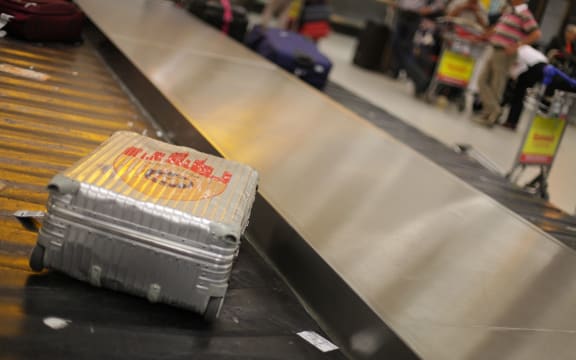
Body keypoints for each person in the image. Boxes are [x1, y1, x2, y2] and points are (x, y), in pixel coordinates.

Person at [475, 0, 541, 127]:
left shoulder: (524, 13)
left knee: (497, 84)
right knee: (482, 80)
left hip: (505, 52)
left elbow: (536, 34)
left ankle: (491, 115)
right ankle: (493, 110)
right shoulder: (509, 11)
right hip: (495, 48)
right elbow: (499, 28)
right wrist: (487, 35)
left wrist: (517, 45)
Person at [502, 45, 576, 130]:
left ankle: (512, 121)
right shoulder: (524, 47)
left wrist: (512, 75)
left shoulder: (518, 50)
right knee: (519, 94)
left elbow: (517, 69)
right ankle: (512, 121)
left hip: (535, 69)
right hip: (540, 67)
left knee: (519, 94)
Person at [390, 0, 446, 96]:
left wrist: (429, 9)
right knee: (396, 45)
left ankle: (420, 78)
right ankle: (415, 76)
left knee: (405, 48)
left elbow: (440, 4)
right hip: (402, 12)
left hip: (414, 16)